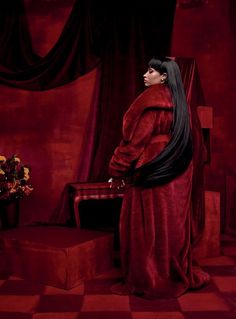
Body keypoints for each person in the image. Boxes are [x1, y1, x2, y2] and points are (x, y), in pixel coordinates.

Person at [108, 57, 210, 299]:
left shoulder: (151, 101)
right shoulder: (179, 101)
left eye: (151, 71)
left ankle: (150, 276)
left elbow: (134, 143)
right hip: (179, 168)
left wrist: (117, 169)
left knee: (148, 225)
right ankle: (171, 272)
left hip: (153, 167)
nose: (145, 74)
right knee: (172, 223)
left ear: (163, 77)